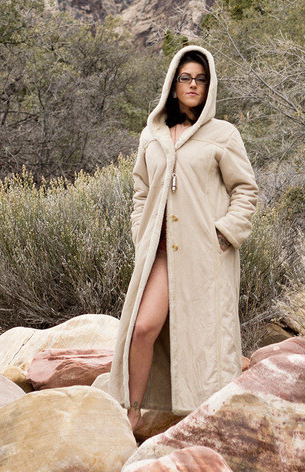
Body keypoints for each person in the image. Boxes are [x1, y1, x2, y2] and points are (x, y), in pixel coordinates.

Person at [108, 44, 258, 433]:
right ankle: (133, 413)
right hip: (159, 252)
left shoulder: (223, 134)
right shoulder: (152, 135)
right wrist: (140, 234)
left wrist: (224, 234)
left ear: (209, 86)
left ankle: (207, 417)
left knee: (204, 335)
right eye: (186, 78)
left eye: (200, 79)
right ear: (173, 85)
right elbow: (141, 191)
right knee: (143, 328)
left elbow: (245, 190)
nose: (193, 85)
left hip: (206, 252)